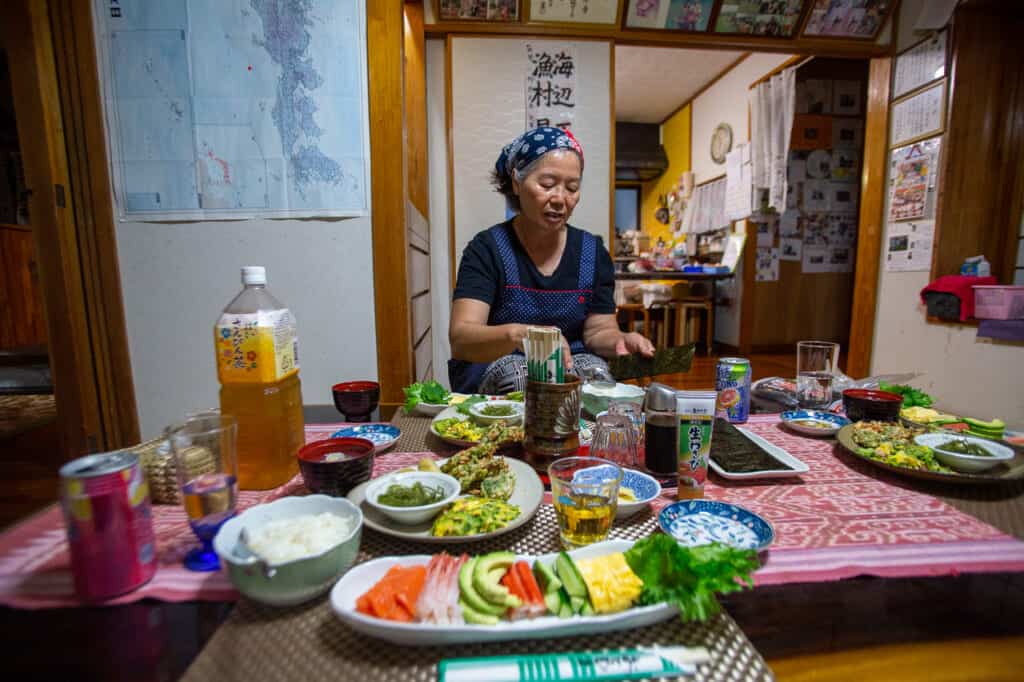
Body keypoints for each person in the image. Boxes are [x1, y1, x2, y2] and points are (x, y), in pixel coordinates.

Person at [448, 126, 655, 394]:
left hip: (570, 364)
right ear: (516, 181)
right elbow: (462, 338)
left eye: (572, 187)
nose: (560, 199)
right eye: (547, 185)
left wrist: (621, 340)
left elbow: (598, 331)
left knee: (596, 376)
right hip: (501, 366)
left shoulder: (592, 252)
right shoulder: (487, 249)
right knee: (522, 376)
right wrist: (521, 336)